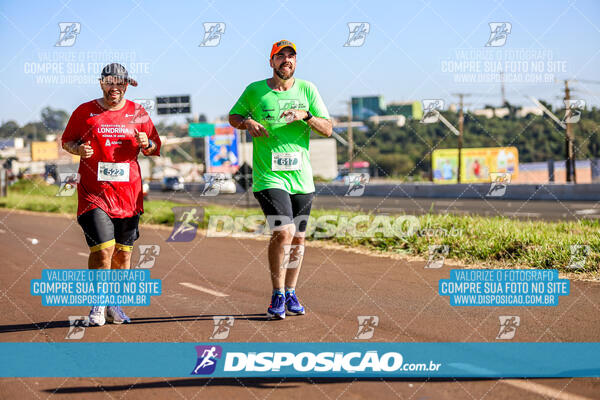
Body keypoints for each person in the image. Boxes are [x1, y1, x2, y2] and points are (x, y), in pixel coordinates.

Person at [229, 40, 332, 319]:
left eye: (291, 57)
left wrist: (306, 115)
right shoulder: (255, 90)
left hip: (301, 178)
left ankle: (290, 291)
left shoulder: (308, 89)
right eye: (280, 56)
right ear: (271, 62)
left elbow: (328, 129)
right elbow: (234, 116)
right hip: (268, 176)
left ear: (295, 63)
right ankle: (276, 294)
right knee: (283, 232)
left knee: (298, 237)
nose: (286, 61)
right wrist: (247, 123)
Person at [61, 63, 161, 326]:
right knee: (104, 250)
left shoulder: (138, 113)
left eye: (120, 83)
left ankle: (114, 304)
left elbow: (154, 146)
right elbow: (67, 141)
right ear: (101, 83)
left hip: (129, 195)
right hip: (95, 193)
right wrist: (79, 150)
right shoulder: (85, 112)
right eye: (109, 82)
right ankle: (97, 303)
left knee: (123, 253)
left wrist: (146, 143)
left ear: (126, 85)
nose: (114, 88)